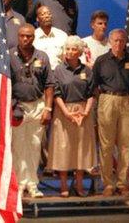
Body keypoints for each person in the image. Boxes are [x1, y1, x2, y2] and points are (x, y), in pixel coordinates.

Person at [92, 29, 129, 196]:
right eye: (115, 41)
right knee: (106, 145)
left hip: (127, 101)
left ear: (125, 42)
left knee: (125, 144)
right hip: (107, 100)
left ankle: (122, 182)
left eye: (121, 41)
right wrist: (106, 99)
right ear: (110, 42)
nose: (118, 44)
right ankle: (108, 183)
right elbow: (95, 85)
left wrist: (125, 97)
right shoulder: (101, 61)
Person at [48, 36, 96, 197]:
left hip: (83, 112)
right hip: (63, 112)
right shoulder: (58, 70)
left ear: (80, 52)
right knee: (63, 148)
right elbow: (56, 94)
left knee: (81, 149)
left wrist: (86, 111)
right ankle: (63, 186)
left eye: (73, 49)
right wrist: (67, 113)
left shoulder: (87, 71)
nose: (70, 52)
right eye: (67, 48)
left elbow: (91, 93)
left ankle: (80, 185)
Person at [10, 24, 54, 197]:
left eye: (29, 36)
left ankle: (33, 184)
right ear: (18, 36)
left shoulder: (41, 56)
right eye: (22, 36)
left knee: (35, 145)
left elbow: (49, 84)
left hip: (38, 105)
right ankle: (20, 184)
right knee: (18, 146)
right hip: (17, 107)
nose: (25, 39)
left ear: (33, 37)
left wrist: (48, 108)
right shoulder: (9, 56)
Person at [33, 5, 68, 70]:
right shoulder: (33, 36)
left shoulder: (62, 35)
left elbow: (66, 58)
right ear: (37, 19)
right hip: (40, 73)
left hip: (58, 73)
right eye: (43, 14)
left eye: (49, 14)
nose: (47, 16)